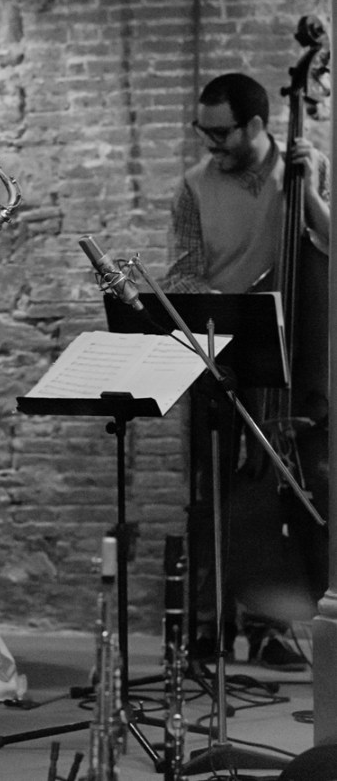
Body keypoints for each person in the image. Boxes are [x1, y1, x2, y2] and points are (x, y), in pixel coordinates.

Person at [164, 72, 330, 670]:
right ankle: (209, 625)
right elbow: (182, 274)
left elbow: (331, 246)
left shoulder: (307, 169)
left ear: (256, 124)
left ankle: (270, 628)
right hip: (218, 354)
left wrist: (310, 195)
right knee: (209, 491)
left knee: (282, 492)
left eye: (221, 132)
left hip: (291, 362)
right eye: (202, 131)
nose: (210, 144)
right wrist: (222, 309)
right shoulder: (192, 188)